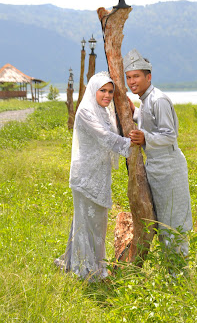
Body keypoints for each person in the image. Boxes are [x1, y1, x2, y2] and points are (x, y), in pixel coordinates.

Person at [55, 72, 131, 280]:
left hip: (100, 174)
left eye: (110, 91)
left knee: (95, 222)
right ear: (93, 90)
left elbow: (115, 129)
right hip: (85, 176)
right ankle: (86, 269)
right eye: (103, 91)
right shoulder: (86, 111)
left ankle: (75, 261)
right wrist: (132, 145)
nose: (107, 95)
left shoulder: (104, 110)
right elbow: (105, 137)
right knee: (86, 222)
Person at [124, 49, 192, 257]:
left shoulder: (158, 99)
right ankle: (171, 272)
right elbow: (149, 121)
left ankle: (179, 274)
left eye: (136, 76)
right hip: (156, 168)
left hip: (169, 167)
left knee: (173, 222)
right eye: (128, 77)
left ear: (148, 77)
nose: (132, 81)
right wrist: (134, 112)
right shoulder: (146, 101)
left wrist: (145, 137)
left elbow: (169, 135)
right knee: (162, 220)